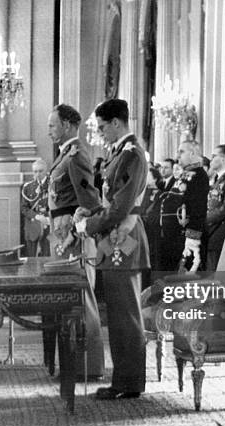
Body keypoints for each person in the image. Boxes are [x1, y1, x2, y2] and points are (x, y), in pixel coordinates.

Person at [75, 98, 149, 400]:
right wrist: (90, 215)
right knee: (118, 313)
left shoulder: (132, 155)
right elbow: (111, 202)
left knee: (126, 315)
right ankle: (123, 380)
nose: (101, 133)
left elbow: (121, 208)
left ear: (116, 123)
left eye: (103, 127)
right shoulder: (120, 153)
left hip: (124, 239)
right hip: (115, 238)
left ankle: (129, 384)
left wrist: (88, 226)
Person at [46, 103, 104, 378]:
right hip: (61, 233)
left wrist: (73, 233)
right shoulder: (66, 154)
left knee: (80, 298)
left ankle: (88, 367)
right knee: (65, 299)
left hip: (72, 237)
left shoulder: (78, 154)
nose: (49, 131)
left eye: (52, 125)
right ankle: (71, 363)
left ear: (68, 126)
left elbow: (90, 202)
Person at [176, 140, 210, 272]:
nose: (178, 155)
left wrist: (192, 238)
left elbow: (198, 209)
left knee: (190, 277)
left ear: (192, 153)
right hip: (178, 235)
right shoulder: (186, 174)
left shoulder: (199, 175)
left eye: (181, 152)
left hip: (190, 236)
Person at [21, 159, 50, 257]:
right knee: (32, 257)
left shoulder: (53, 185)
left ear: (46, 171)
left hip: (48, 225)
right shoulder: (28, 187)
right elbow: (24, 208)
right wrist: (36, 216)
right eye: (35, 171)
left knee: (47, 256)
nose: (38, 174)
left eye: (41, 171)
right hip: (33, 226)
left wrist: (49, 218)